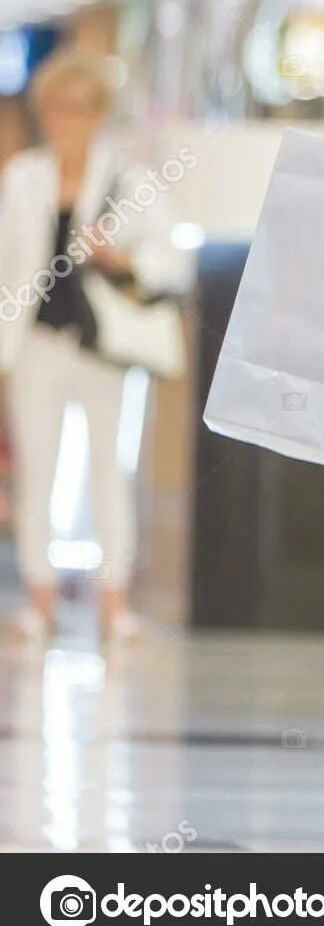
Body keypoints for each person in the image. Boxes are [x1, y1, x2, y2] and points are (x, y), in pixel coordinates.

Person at [0, 48, 183, 644]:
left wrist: (118, 258)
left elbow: (168, 261)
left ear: (98, 113)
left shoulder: (128, 181)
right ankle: (41, 599)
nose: (66, 120)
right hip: (37, 342)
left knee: (110, 468)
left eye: (78, 108)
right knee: (38, 470)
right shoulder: (23, 178)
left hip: (103, 345)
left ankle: (113, 602)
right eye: (55, 108)